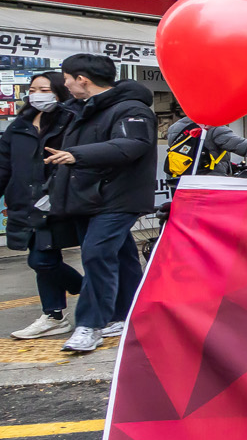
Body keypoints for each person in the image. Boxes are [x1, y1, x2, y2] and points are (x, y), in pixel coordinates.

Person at [42, 54, 156, 355]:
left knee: (96, 254)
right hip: (86, 197)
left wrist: (77, 155)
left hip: (118, 197)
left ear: (82, 79)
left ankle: (90, 325)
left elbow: (133, 145)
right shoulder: (81, 109)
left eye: (67, 79)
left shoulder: (131, 109)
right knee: (120, 255)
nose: (64, 85)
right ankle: (128, 313)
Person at [3, 72, 82, 340]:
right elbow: (4, 164)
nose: (38, 94)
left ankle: (87, 290)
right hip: (24, 202)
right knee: (43, 260)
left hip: (55, 202)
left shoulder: (70, 120)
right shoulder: (20, 124)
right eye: (34, 89)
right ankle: (54, 315)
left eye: (45, 89)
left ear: (59, 92)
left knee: (42, 260)